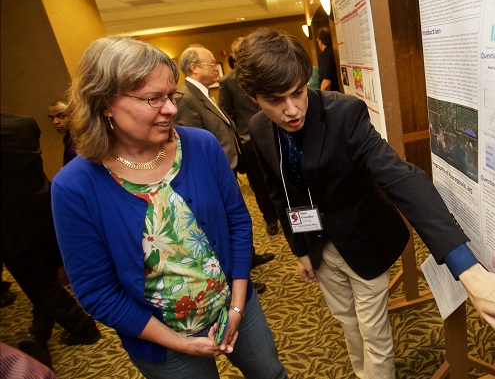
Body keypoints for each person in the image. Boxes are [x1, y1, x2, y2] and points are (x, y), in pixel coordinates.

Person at [235, 28, 495, 379]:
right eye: (276, 101)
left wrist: (467, 267)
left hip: (363, 241)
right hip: (317, 246)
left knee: (373, 329)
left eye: (297, 93)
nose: (291, 109)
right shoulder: (258, 126)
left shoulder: (344, 114)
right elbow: (279, 193)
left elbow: (401, 177)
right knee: (346, 321)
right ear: (254, 97)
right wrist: (299, 250)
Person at [51, 37, 287, 379]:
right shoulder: (74, 187)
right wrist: (182, 344)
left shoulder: (201, 146)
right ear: (104, 103)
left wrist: (237, 305)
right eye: (153, 99)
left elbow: (237, 222)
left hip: (237, 306)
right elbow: (97, 292)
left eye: (171, 96)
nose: (171, 109)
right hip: (161, 339)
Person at [1, 112, 101, 370]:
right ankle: (39, 332)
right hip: (44, 212)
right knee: (45, 278)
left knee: (41, 286)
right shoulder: (22, 124)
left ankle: (84, 328)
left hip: (12, 229)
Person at [175, 44, 274, 294]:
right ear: (194, 68)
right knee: (225, 222)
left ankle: (248, 258)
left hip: (227, 163)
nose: (216, 69)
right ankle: (239, 276)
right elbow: (193, 142)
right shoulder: (187, 98)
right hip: (213, 170)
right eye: (210, 64)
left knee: (236, 215)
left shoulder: (204, 92)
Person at [219, 37, 280, 237]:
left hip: (276, 132)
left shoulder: (268, 71)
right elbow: (227, 113)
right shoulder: (227, 82)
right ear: (236, 58)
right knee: (260, 185)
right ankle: (270, 219)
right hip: (249, 142)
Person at [47, 99, 77, 165]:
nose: (55, 122)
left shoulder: (83, 138)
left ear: (74, 114)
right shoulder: (68, 137)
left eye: (62, 116)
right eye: (52, 118)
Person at [316, 27, 339, 92]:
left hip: (333, 95)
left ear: (320, 41)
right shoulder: (335, 52)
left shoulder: (324, 56)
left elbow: (326, 83)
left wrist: (321, 99)